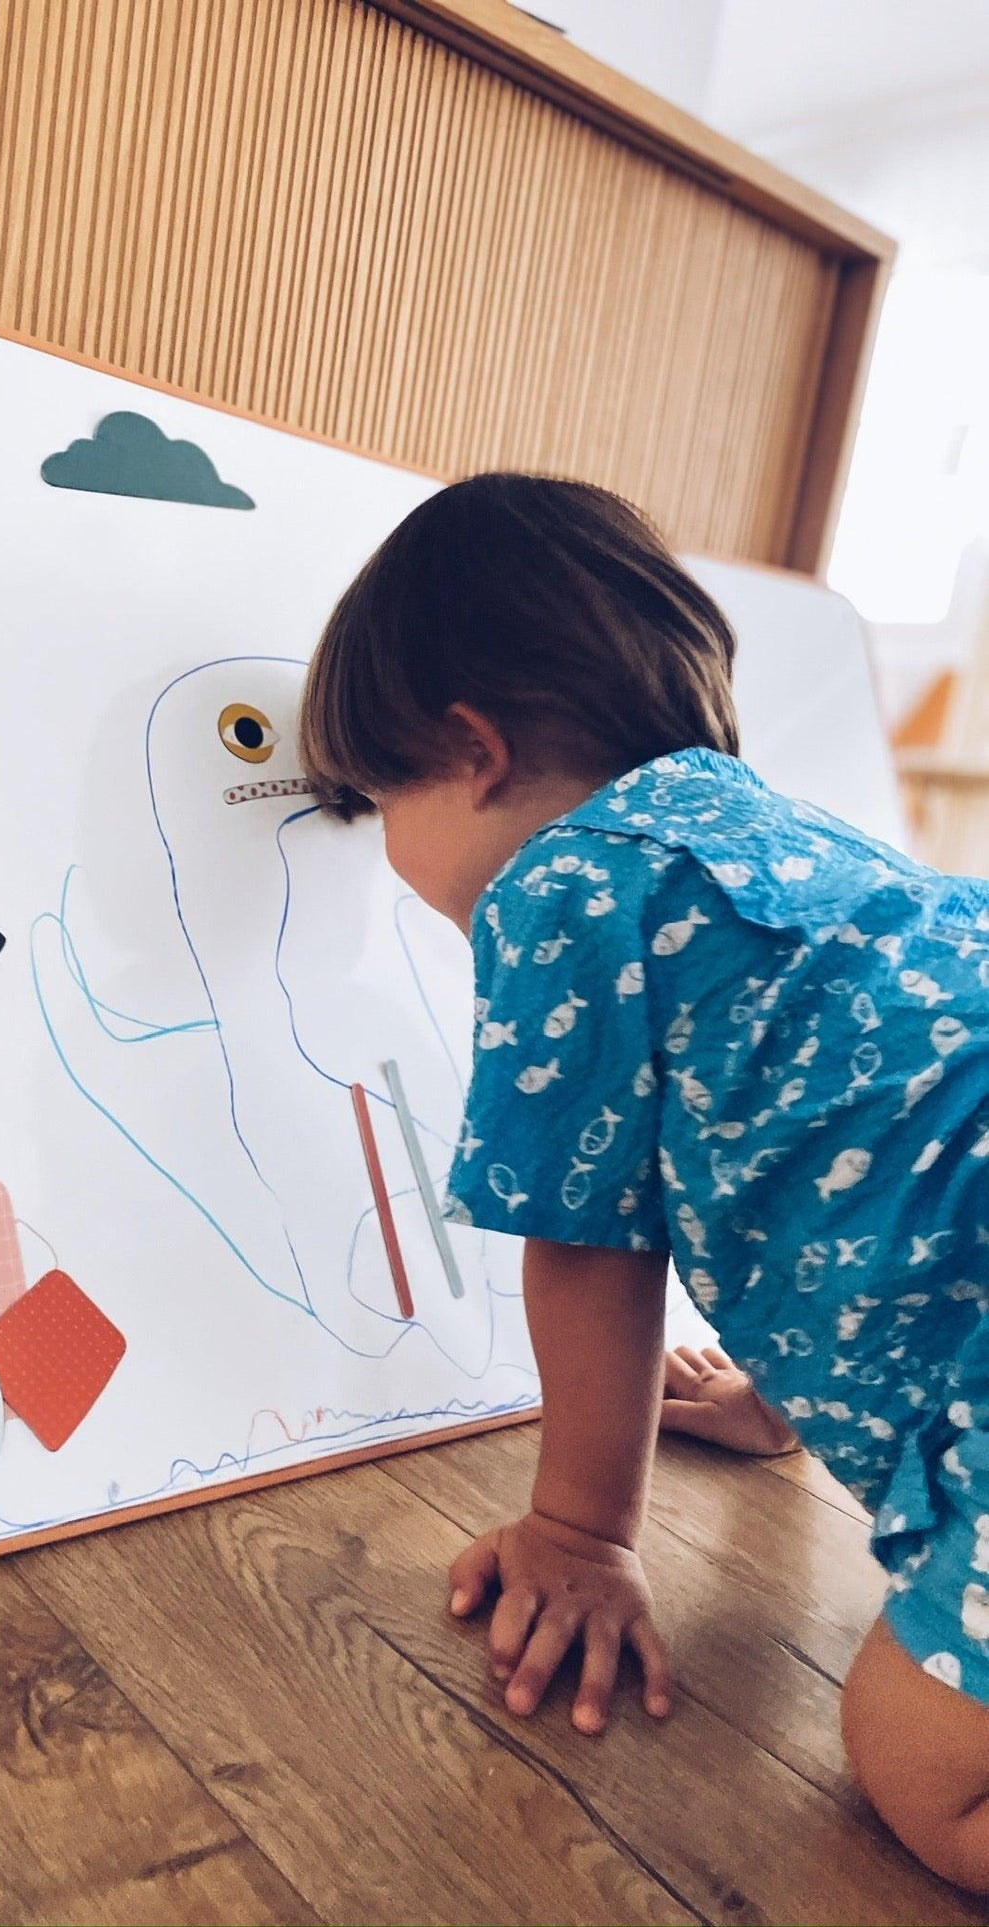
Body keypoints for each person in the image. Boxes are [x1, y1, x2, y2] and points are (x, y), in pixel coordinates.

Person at [297, 472, 989, 1892]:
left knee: (920, 1765)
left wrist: (576, 1528)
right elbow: (868, 1158)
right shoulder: (802, 842)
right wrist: (781, 1388)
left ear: (468, 750)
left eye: (377, 807)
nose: (391, 860)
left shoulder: (562, 887)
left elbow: (591, 1240)